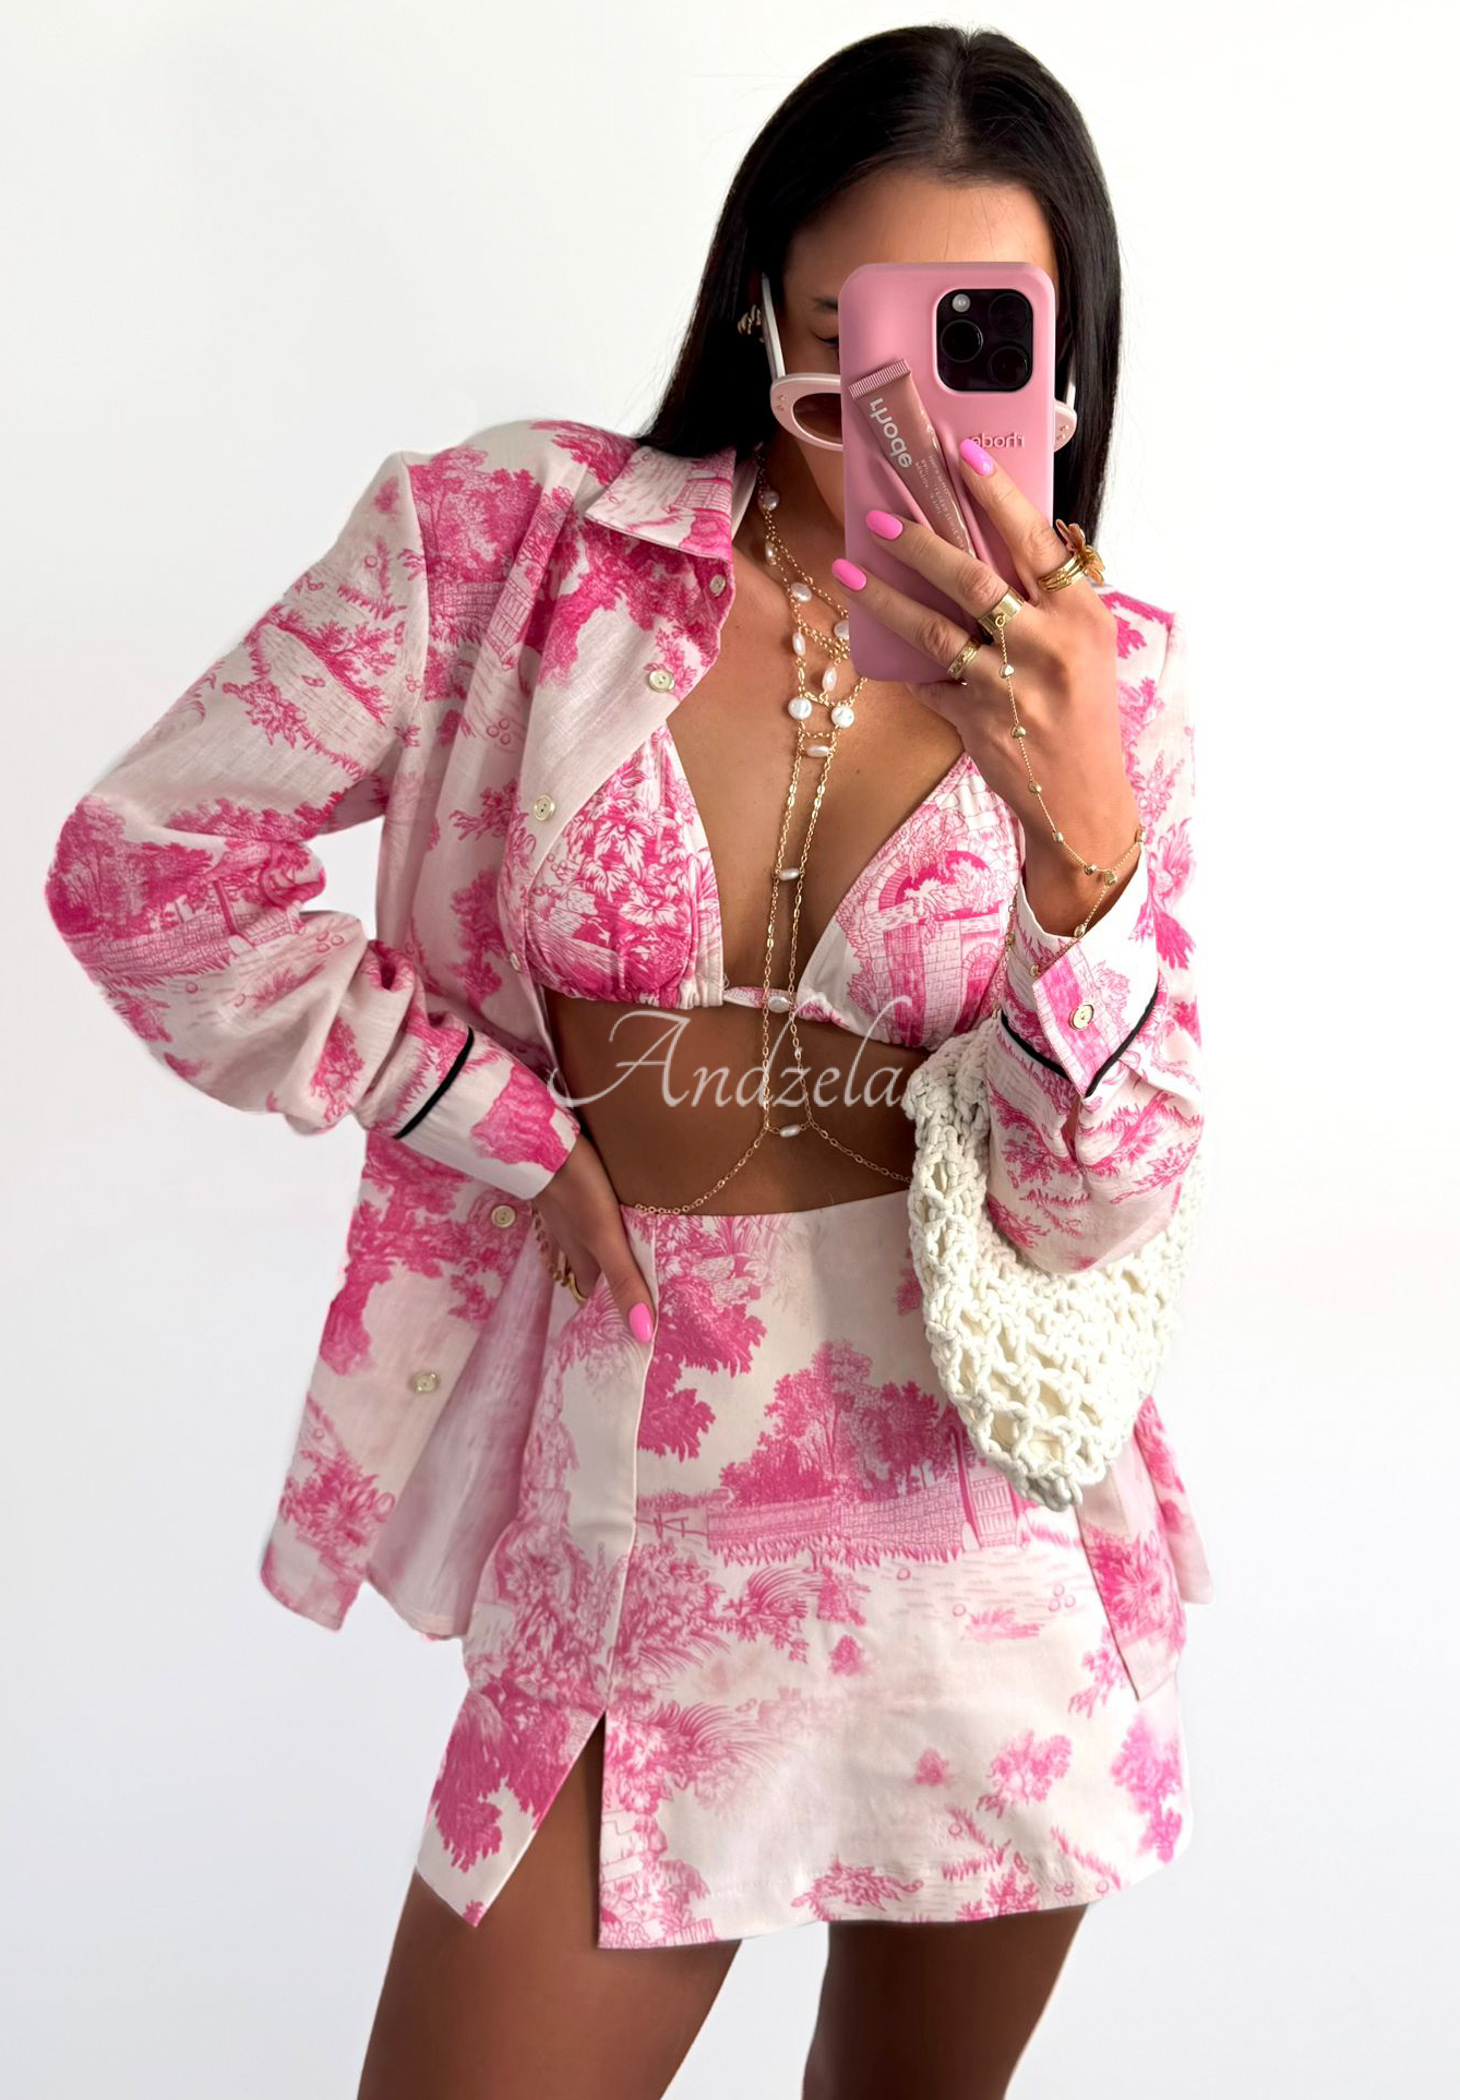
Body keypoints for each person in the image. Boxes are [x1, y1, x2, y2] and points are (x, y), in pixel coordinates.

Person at [43, 25, 1211, 2100]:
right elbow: (146, 863)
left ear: (1064, 365)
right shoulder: (510, 546)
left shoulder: (1109, 692)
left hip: (985, 1568)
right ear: (765, 305)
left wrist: (1085, 857)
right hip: (633, 1541)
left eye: (980, 339)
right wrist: (473, 1104)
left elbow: (1083, 1205)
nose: (908, 406)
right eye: (857, 335)